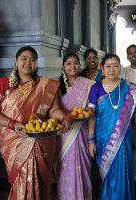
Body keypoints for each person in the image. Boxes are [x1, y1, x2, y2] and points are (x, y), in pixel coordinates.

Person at [0, 46, 72, 200]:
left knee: (42, 182)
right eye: (24, 58)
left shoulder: (46, 85)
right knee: (20, 181)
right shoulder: (2, 83)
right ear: (16, 61)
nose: (28, 62)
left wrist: (64, 118)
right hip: (14, 141)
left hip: (42, 140)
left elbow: (53, 110)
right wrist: (12, 124)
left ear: (36, 63)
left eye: (32, 59)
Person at [88, 53, 136, 200]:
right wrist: (91, 140)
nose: (112, 69)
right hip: (103, 138)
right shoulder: (96, 88)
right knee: (107, 173)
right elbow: (91, 115)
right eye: (108, 66)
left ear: (120, 68)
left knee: (124, 171)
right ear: (102, 68)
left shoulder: (130, 88)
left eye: (115, 66)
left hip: (124, 137)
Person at [56, 53, 93, 200]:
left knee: (83, 168)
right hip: (62, 133)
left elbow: (93, 108)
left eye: (76, 63)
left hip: (81, 133)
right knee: (65, 170)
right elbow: (50, 109)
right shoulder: (55, 84)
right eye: (68, 63)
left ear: (81, 65)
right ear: (63, 66)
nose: (72, 66)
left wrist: (88, 111)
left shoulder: (88, 84)